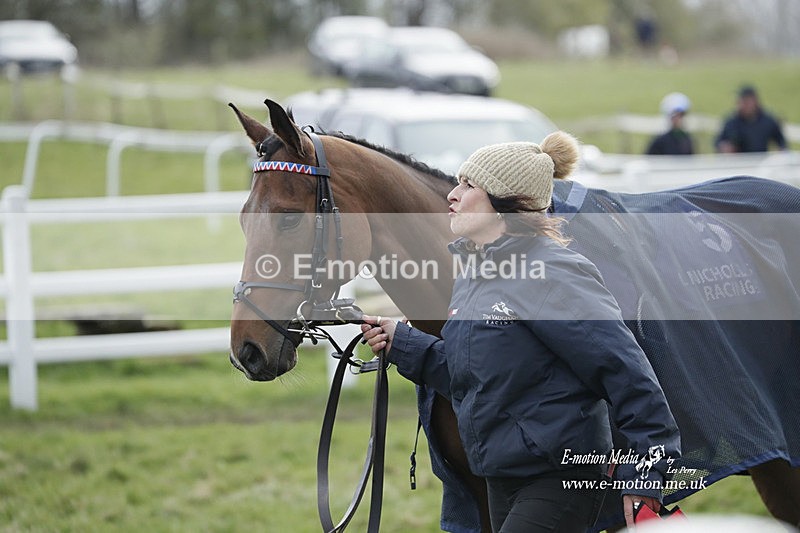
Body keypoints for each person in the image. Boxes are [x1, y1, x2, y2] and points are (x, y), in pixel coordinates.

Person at [361, 132, 681, 532]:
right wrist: (403, 343)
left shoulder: (553, 271)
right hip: (500, 476)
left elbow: (626, 372)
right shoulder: (473, 276)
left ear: (504, 203)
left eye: (468, 184)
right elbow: (475, 373)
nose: (452, 195)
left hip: (559, 477)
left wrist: (647, 473)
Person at [715, 85, 787, 153]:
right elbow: (718, 142)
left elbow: (781, 142)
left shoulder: (767, 120)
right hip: (738, 163)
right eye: (741, 102)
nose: (743, 105)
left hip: (761, 161)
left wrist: (781, 151)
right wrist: (725, 147)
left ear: (755, 101)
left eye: (747, 102)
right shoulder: (731, 122)